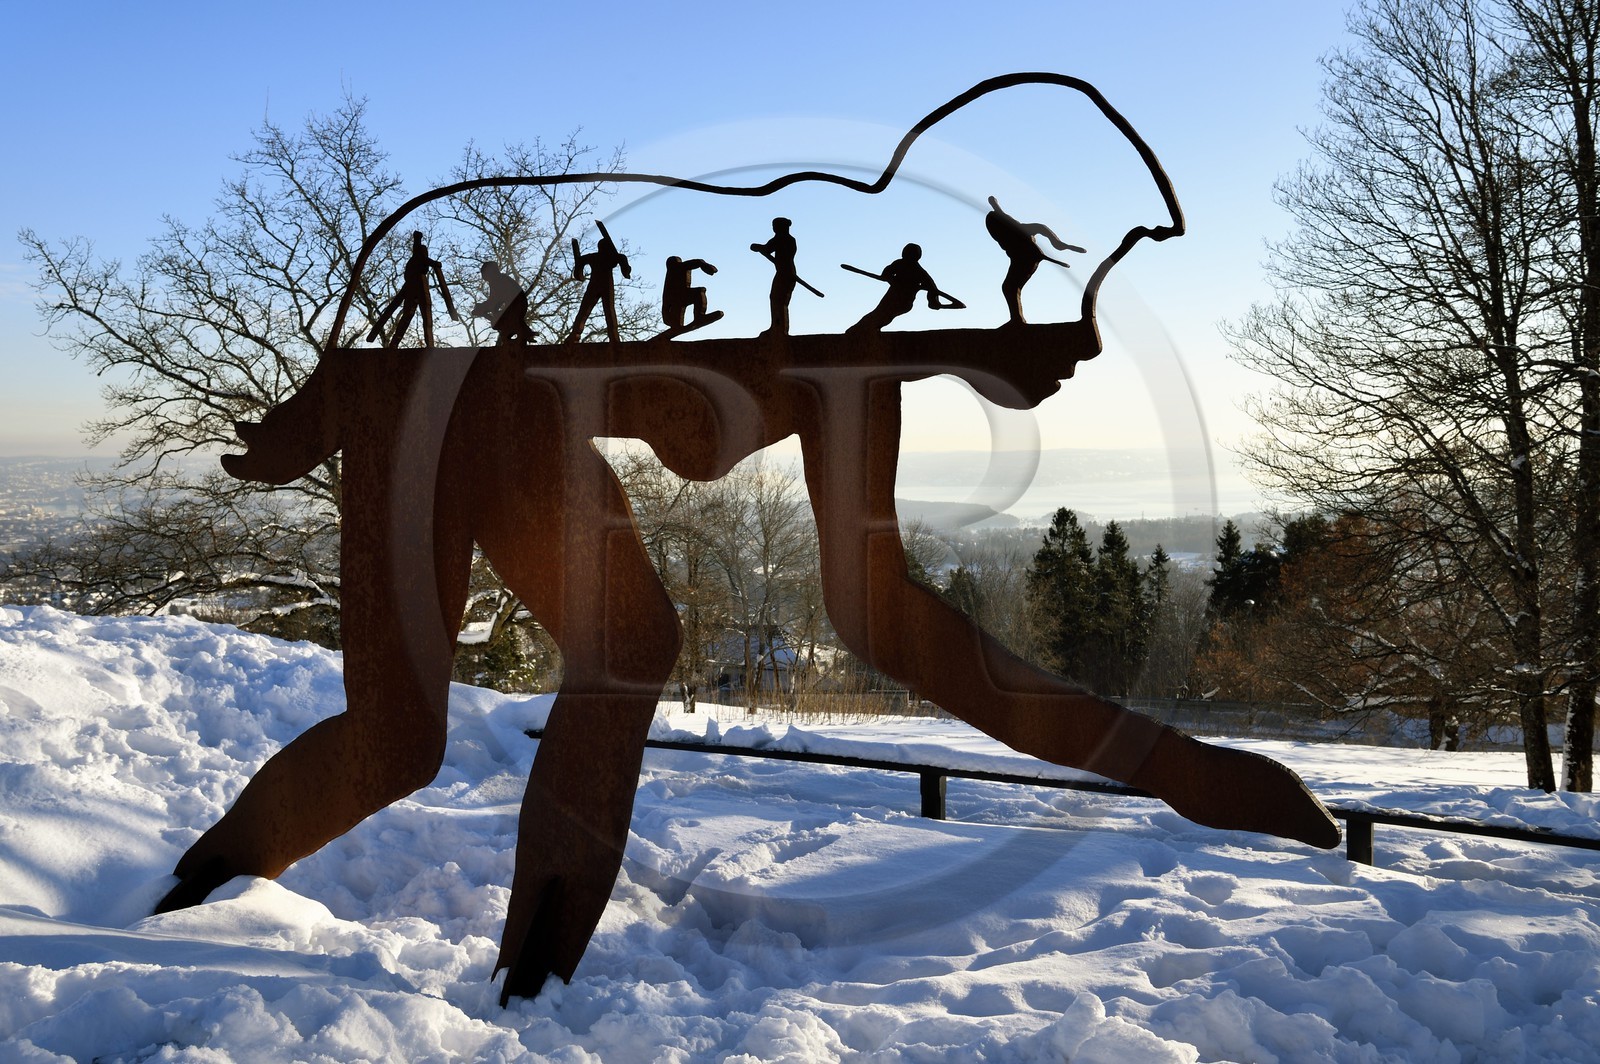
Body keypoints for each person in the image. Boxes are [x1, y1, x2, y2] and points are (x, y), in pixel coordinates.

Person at [984, 195, 1081, 325]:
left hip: (1024, 259)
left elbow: (1001, 214)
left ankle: (1017, 320)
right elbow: (1040, 227)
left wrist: (1060, 244)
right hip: (1026, 258)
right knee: (1010, 288)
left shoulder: (1015, 230)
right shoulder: (1022, 228)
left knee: (1009, 288)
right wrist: (1059, 244)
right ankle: (1017, 319)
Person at [367, 231, 458, 348]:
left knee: (409, 315)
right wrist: (435, 263)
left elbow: (420, 255)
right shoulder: (418, 260)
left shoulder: (415, 260)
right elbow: (424, 259)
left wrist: (417, 239)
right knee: (419, 314)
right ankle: (421, 344)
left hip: (411, 286)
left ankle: (397, 343)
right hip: (414, 286)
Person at [847, 243, 952, 334]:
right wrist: (893, 281)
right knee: (879, 315)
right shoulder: (899, 264)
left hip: (903, 301)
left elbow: (932, 293)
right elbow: (886, 275)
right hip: (892, 297)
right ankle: (859, 330)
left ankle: (859, 330)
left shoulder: (920, 272)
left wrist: (935, 302)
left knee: (883, 315)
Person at [567, 228, 632, 344]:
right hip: (603, 285)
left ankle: (575, 335)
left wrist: (625, 268)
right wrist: (625, 269)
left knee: (588, 310)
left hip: (596, 285)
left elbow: (580, 261)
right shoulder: (609, 257)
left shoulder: (596, 257)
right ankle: (613, 337)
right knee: (608, 311)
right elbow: (622, 261)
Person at [750, 217, 797, 336]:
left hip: (784, 272)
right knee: (778, 299)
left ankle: (778, 328)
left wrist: (757, 247)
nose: (773, 228)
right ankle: (777, 326)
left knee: (778, 299)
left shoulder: (781, 239)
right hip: (787, 271)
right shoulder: (789, 239)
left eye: (774, 226)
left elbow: (767, 249)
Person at [471, 261, 533, 345]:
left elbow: (494, 301)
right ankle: (525, 332)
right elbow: (494, 301)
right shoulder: (499, 280)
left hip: (516, 308)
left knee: (497, 322)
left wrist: (482, 307)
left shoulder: (498, 281)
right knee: (498, 321)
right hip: (516, 308)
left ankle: (524, 332)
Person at [661, 255, 718, 329]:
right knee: (698, 293)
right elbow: (693, 263)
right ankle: (698, 317)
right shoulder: (676, 268)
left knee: (699, 292)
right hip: (677, 299)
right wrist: (703, 264)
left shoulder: (674, 271)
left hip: (681, 296)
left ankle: (698, 317)